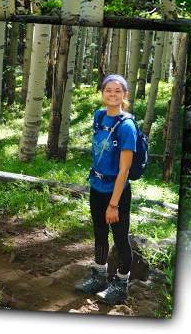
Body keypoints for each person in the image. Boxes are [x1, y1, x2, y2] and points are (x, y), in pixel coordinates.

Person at [74, 74, 136, 304]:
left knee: (120, 238)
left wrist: (114, 204)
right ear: (102, 94)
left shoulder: (127, 126)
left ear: (124, 96)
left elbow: (125, 170)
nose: (112, 94)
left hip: (117, 191)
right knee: (100, 232)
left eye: (117, 91)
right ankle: (99, 276)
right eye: (108, 90)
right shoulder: (99, 116)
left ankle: (121, 284)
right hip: (97, 186)